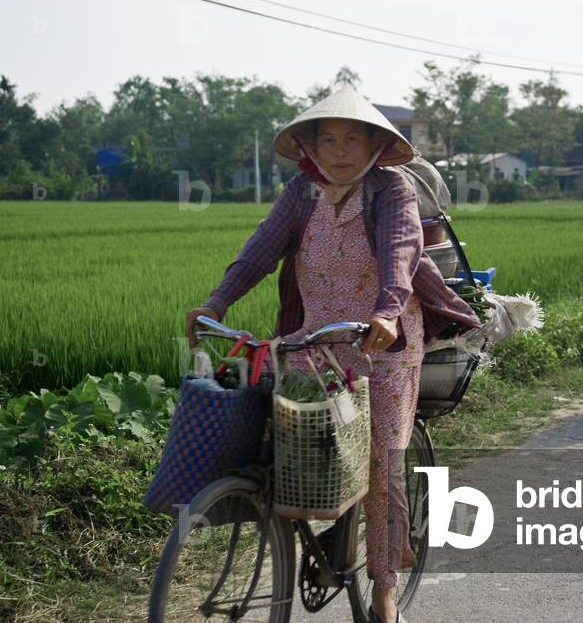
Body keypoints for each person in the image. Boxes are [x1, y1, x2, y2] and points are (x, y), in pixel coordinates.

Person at [184, 87, 481, 623]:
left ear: (374, 144)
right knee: (294, 448)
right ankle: (322, 530)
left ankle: (385, 587)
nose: (339, 150)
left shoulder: (390, 189)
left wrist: (388, 312)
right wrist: (216, 302)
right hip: (313, 341)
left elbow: (401, 251)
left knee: (382, 459)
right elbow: (259, 250)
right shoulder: (301, 191)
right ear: (310, 145)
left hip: (381, 343)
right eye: (328, 139)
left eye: (351, 138)